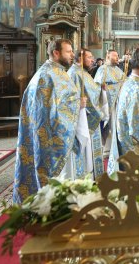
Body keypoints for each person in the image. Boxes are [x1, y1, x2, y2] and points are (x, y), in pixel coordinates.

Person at [13, 39, 86, 203]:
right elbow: (47, 111)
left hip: (59, 133)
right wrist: (77, 104)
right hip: (51, 140)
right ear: (56, 53)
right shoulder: (46, 75)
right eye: (69, 51)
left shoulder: (57, 72)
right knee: (53, 182)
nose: (73, 55)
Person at [67, 48, 104, 178]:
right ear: (80, 58)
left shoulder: (83, 72)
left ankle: (93, 177)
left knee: (91, 151)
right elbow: (70, 98)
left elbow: (92, 92)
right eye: (89, 57)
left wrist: (101, 89)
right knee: (84, 152)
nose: (92, 59)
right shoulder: (74, 73)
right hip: (83, 119)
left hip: (90, 116)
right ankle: (83, 180)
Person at [94, 50, 126, 153]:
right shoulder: (102, 69)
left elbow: (125, 82)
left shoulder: (118, 69)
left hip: (118, 103)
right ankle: (106, 148)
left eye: (118, 56)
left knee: (117, 125)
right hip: (107, 104)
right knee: (107, 125)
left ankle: (115, 147)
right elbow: (97, 86)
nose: (117, 58)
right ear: (108, 56)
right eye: (115, 56)